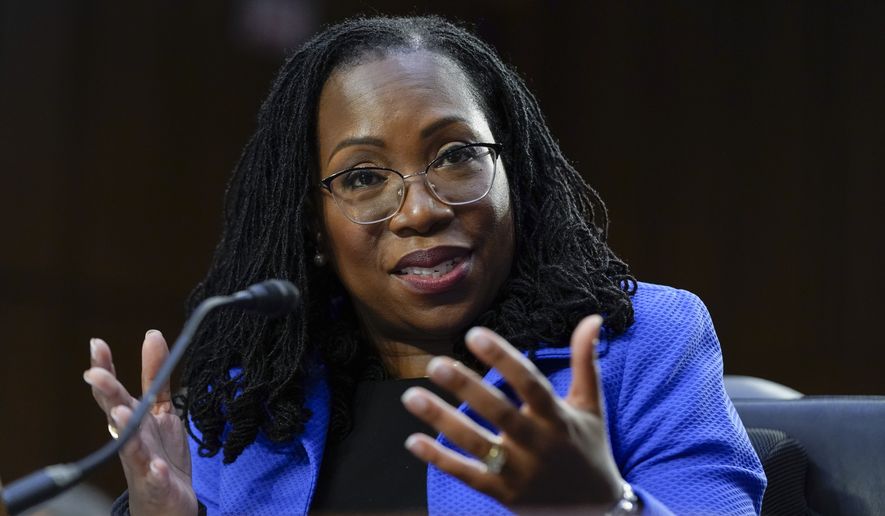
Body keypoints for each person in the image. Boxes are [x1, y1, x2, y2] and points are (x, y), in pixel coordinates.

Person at [83, 15, 766, 515]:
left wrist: (601, 510)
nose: (419, 210)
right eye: (361, 178)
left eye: (454, 155)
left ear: (513, 174)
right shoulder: (256, 399)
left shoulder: (642, 342)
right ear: (311, 225)